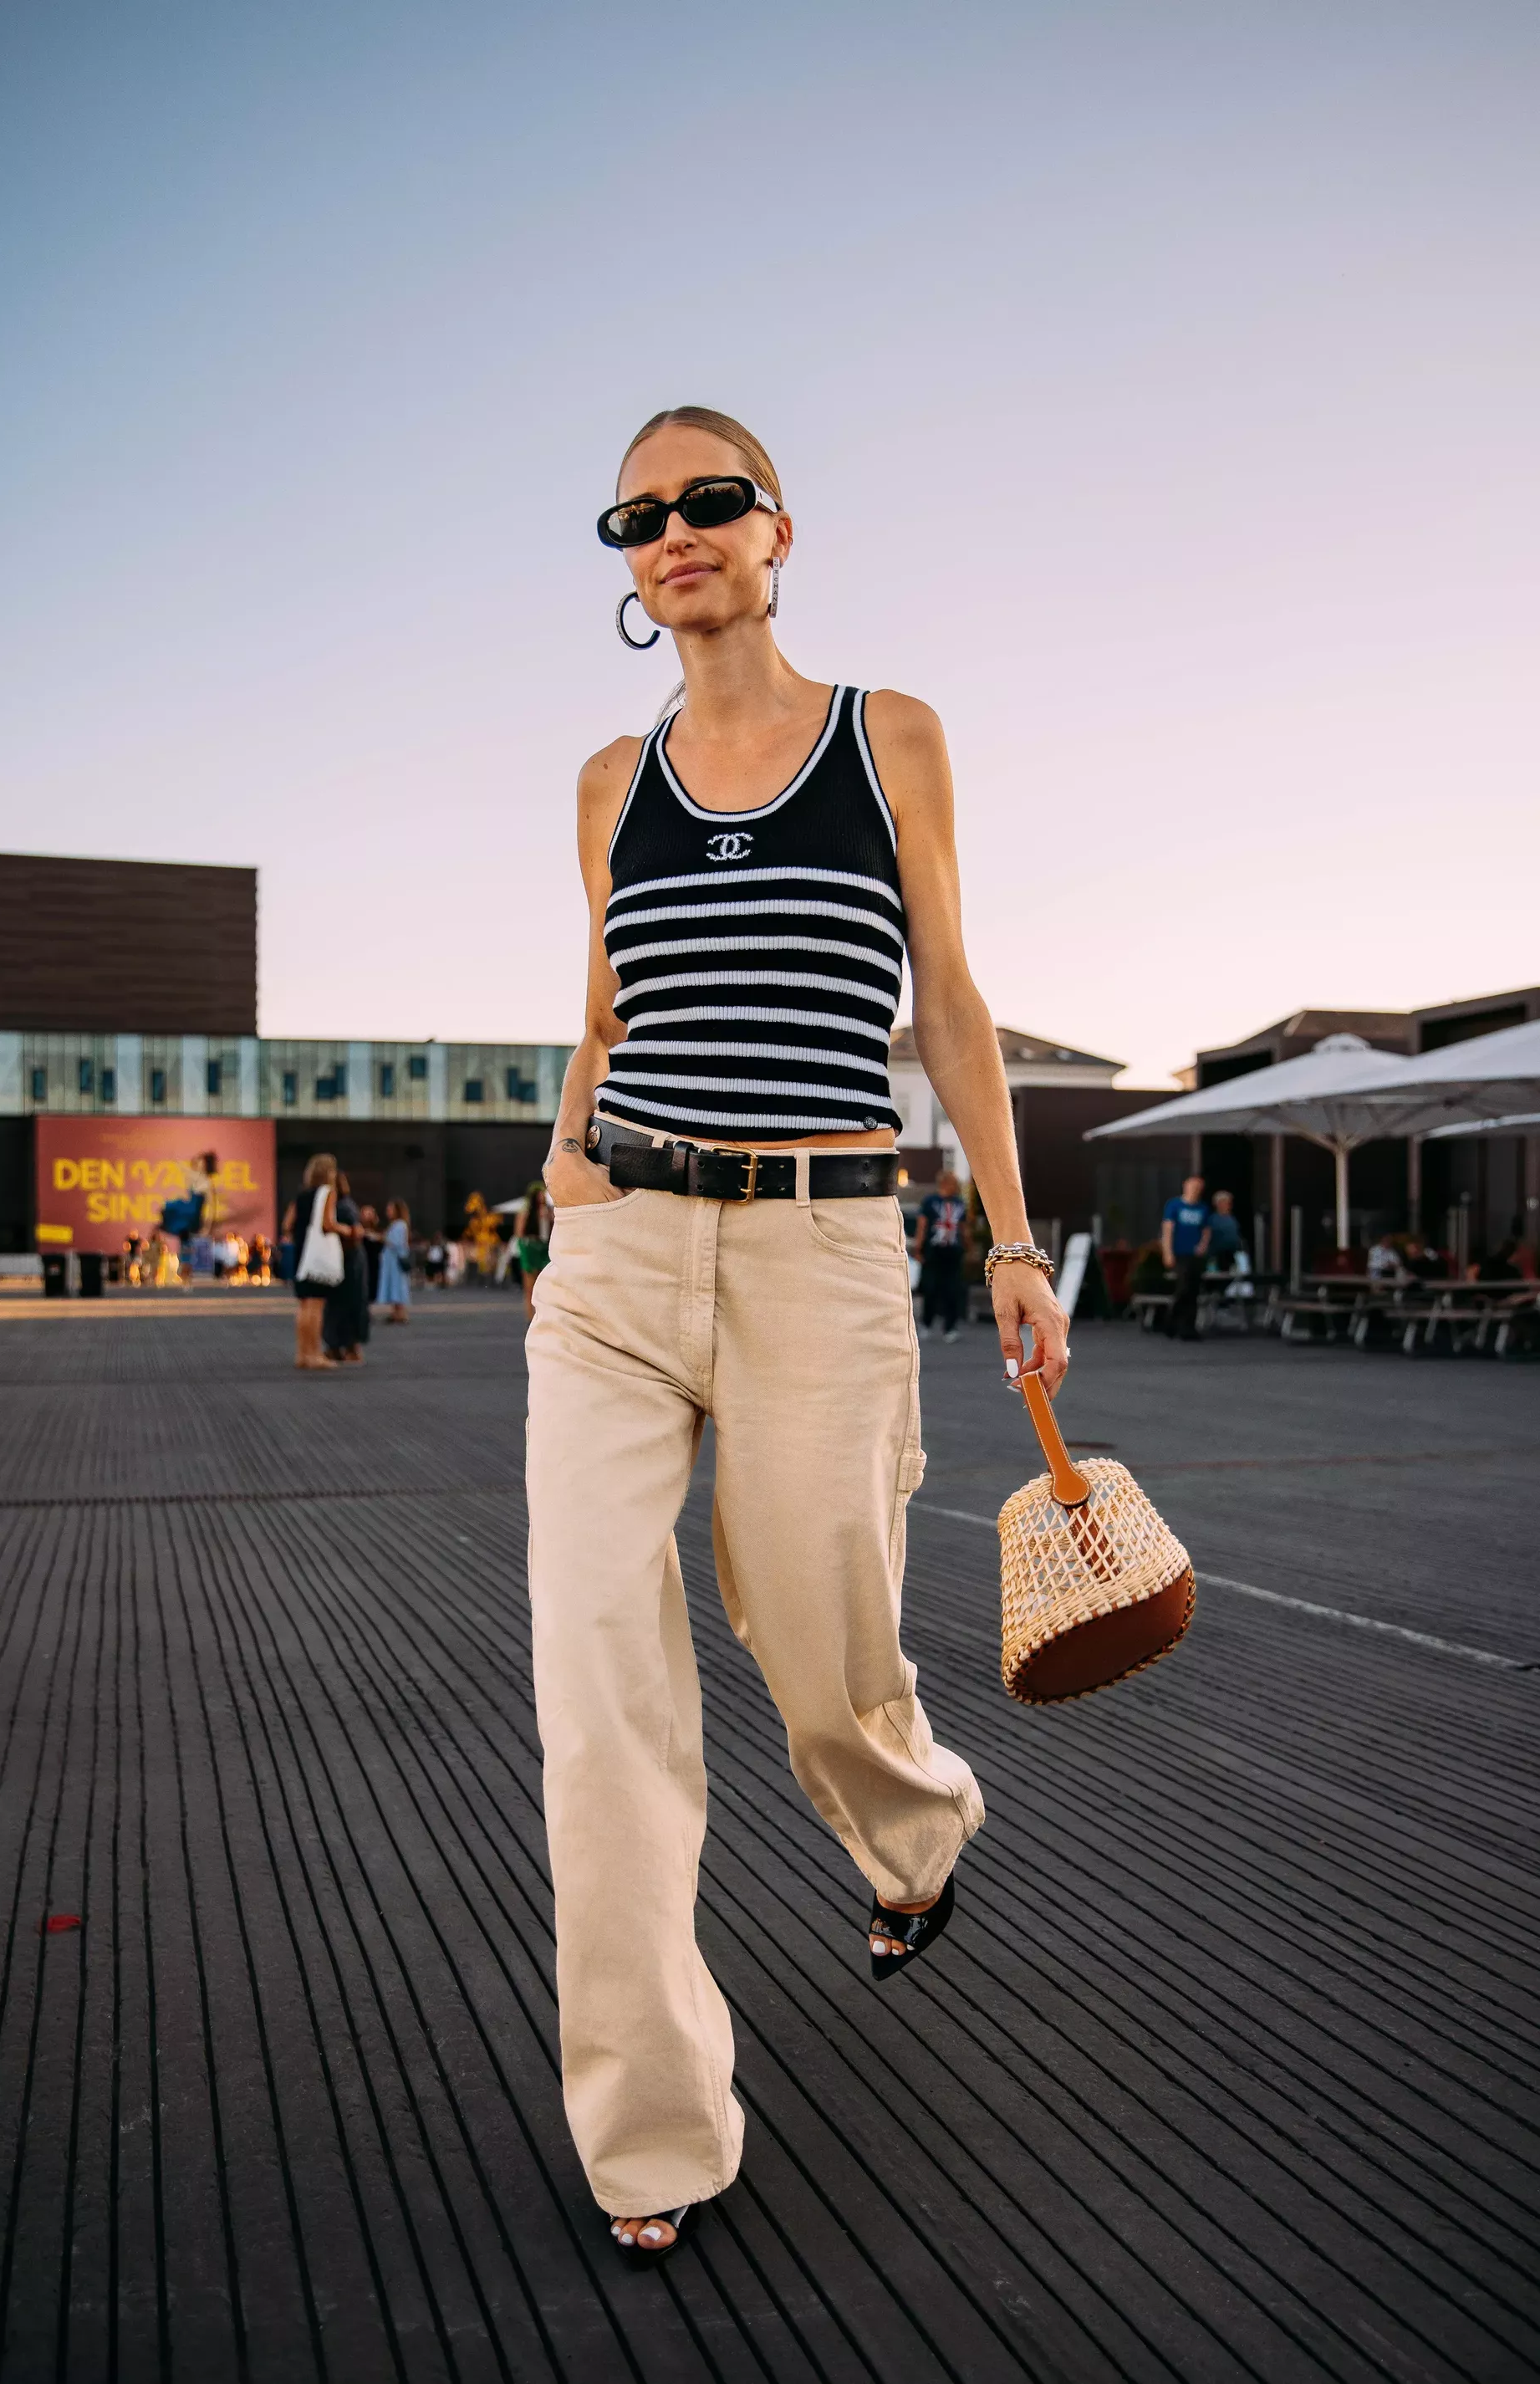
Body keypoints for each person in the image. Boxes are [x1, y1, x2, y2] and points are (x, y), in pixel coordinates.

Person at [527, 406, 1068, 2263]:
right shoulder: (607, 775)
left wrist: (1007, 1235)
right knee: (599, 1693)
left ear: (777, 532)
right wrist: (559, 1168)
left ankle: (911, 1828)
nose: (672, 531)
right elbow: (604, 1010)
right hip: (614, 1260)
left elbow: (950, 1001)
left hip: (823, 1247)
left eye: (709, 501)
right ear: (626, 561)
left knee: (820, 1628)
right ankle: (652, 2135)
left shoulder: (885, 734)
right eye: (638, 513)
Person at [290, 1153, 343, 1369]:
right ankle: (315, 1354)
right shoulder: (327, 1192)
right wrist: (347, 1230)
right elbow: (328, 1224)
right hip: (317, 1257)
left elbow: (288, 1223)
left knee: (304, 1305)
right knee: (316, 1306)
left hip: (301, 1252)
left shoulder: (302, 1196)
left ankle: (302, 1354)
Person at [913, 1168, 969, 1339]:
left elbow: (963, 1229)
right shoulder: (930, 1202)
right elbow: (922, 1226)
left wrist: (967, 1246)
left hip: (952, 1252)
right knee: (931, 1288)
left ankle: (949, 1327)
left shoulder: (959, 1203)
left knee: (952, 1290)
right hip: (934, 1251)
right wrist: (918, 1247)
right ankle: (927, 1323)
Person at [323, 1172, 369, 1362]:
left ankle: (345, 1347)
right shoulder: (347, 1205)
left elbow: (354, 1234)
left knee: (342, 1305)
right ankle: (346, 1346)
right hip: (350, 1261)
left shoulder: (341, 1207)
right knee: (349, 1304)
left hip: (346, 1262)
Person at [1161, 1173, 1211, 1340]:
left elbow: (1206, 1230)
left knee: (1194, 1290)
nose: (1195, 1190)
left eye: (1199, 1188)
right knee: (1183, 1288)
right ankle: (1171, 1322)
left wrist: (1203, 1245)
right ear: (1185, 1186)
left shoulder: (1202, 1209)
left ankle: (1188, 1328)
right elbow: (1168, 1229)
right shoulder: (1174, 1205)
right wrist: (1167, 1252)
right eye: (1193, 1186)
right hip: (1179, 1252)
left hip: (1195, 1254)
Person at [516, 1182, 551, 1320]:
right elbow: (519, 1233)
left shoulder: (547, 1211)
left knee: (545, 1285)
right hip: (530, 1247)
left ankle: (542, 1316)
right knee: (530, 1287)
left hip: (543, 1247)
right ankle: (531, 1317)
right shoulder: (525, 1212)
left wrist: (548, 1216)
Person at [377, 1198, 412, 1320]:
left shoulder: (400, 1225)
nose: (388, 1212)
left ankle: (401, 1313)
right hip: (391, 1261)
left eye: (390, 1209)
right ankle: (396, 1312)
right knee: (394, 1285)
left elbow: (396, 1242)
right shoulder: (396, 1225)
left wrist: (381, 1238)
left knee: (397, 1285)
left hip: (395, 1261)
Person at [1205, 1191, 1242, 1269]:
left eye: (1229, 1203)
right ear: (1217, 1204)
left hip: (1233, 1255)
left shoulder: (1233, 1219)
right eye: (1224, 1202)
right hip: (1215, 1256)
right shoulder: (1212, 1219)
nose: (1228, 1205)